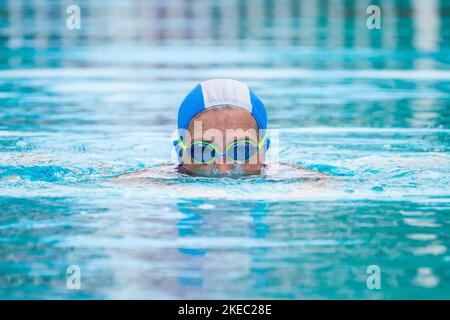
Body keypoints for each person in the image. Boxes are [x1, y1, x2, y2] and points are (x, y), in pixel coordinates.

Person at [118, 79, 330, 180]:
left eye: (241, 150)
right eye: (202, 151)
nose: (222, 168)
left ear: (264, 149)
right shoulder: (153, 180)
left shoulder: (293, 178)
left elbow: (327, 185)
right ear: (180, 151)